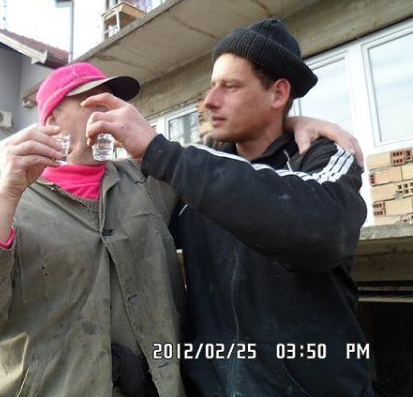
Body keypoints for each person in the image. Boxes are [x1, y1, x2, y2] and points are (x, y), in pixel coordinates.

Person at [84, 19, 372, 396]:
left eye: (230, 86)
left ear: (278, 93)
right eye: (212, 85)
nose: (210, 101)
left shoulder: (324, 157)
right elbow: (116, 234)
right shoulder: (195, 169)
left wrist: (160, 151)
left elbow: (321, 229)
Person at [0, 63, 186, 397]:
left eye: (112, 103)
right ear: (52, 120)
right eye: (94, 103)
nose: (108, 113)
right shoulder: (15, 202)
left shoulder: (145, 182)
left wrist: (155, 147)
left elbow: (220, 174)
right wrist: (6, 193)